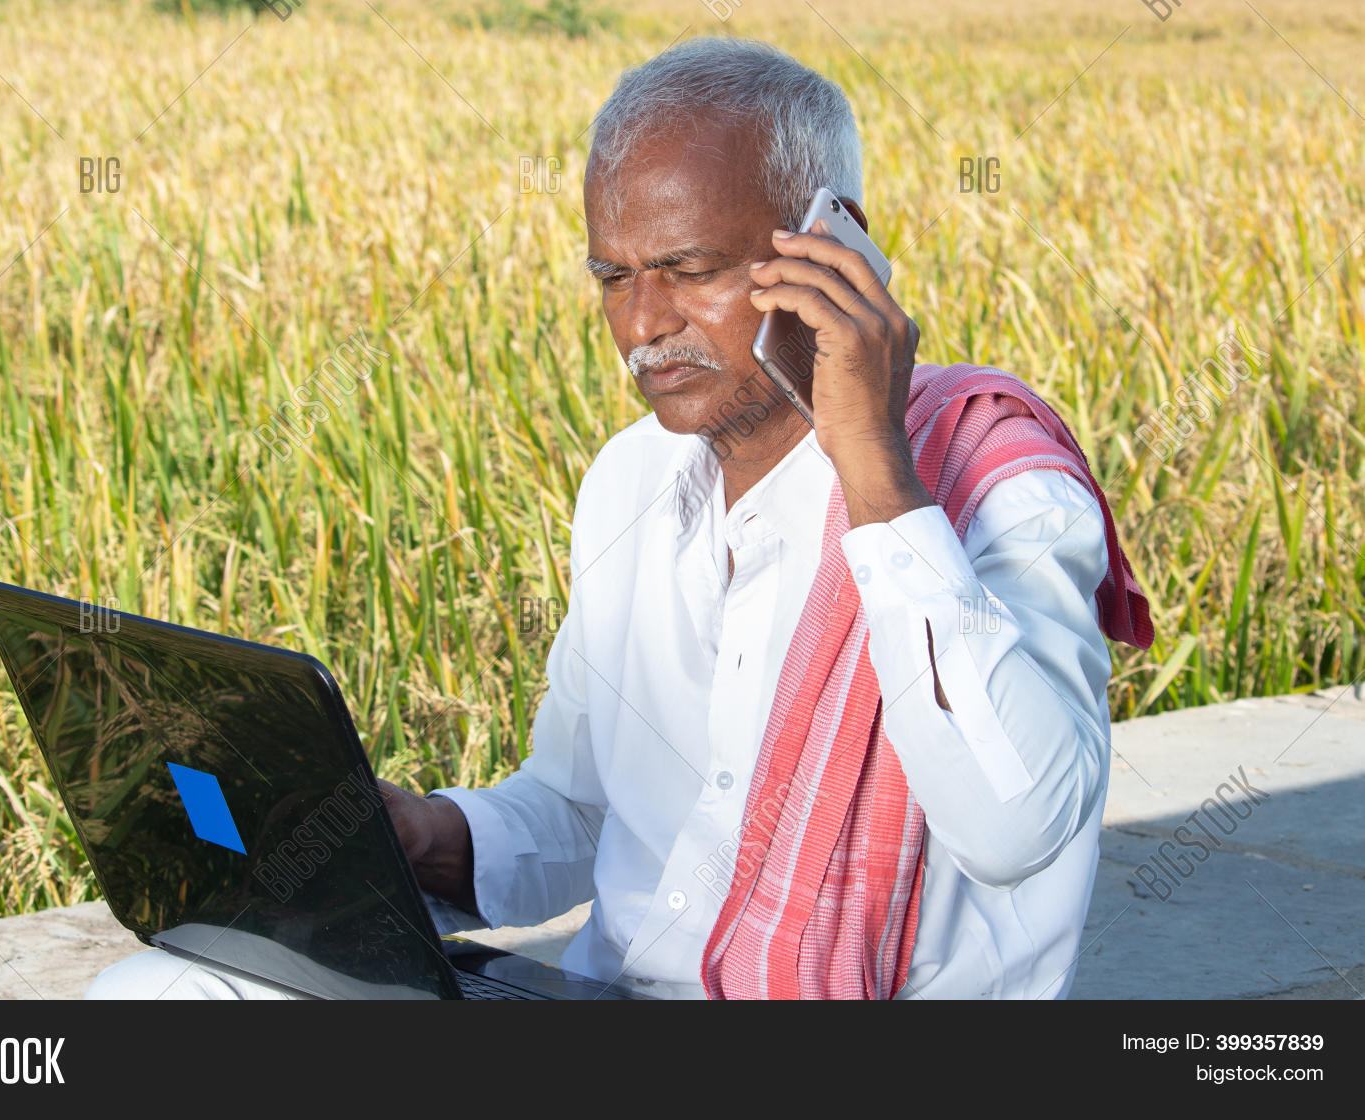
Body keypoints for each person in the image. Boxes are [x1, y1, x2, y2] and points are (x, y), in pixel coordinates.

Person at [89, 36, 1151, 1001]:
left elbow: (1021, 828)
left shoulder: (993, 485)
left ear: (835, 250)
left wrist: (874, 465)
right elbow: (584, 810)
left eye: (690, 271)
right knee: (162, 996)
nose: (643, 326)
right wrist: (426, 840)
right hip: (598, 1012)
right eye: (613, 276)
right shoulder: (633, 479)